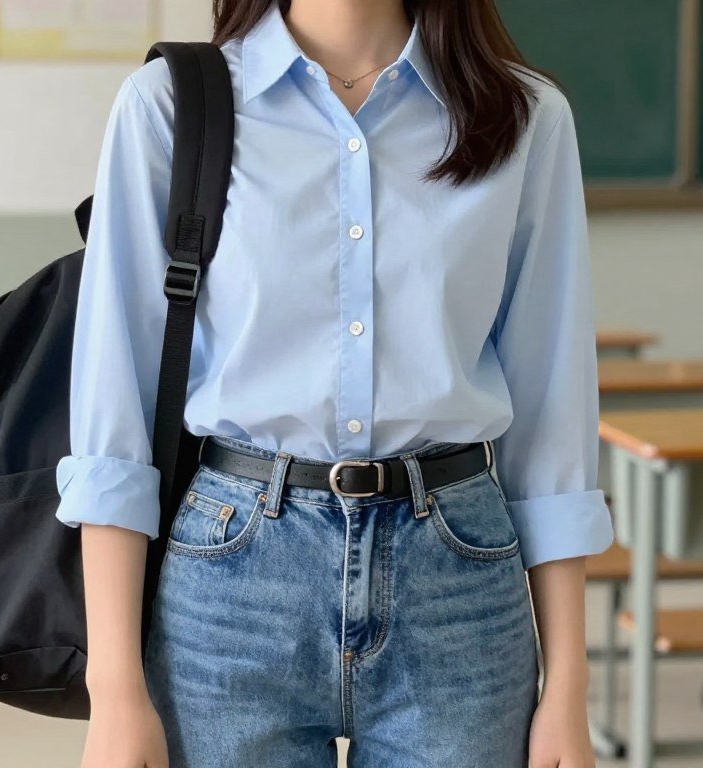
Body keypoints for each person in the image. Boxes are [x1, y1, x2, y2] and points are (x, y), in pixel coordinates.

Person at [53, 0, 614, 765]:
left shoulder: (523, 116)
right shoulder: (170, 105)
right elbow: (115, 410)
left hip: (456, 573)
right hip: (233, 579)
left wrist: (569, 685)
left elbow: (554, 413)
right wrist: (114, 690)